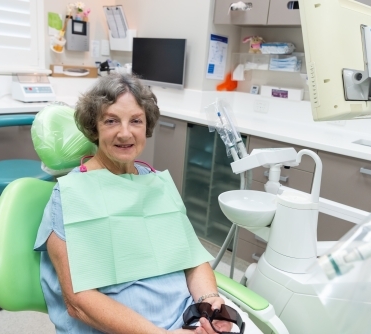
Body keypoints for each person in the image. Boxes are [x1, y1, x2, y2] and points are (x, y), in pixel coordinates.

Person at [34, 73, 255, 334]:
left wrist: (208, 304)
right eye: (111, 120)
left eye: (136, 121)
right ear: (94, 127)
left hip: (190, 321)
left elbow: (193, 260)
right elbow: (78, 302)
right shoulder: (70, 195)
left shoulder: (155, 183)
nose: (125, 133)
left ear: (146, 127)